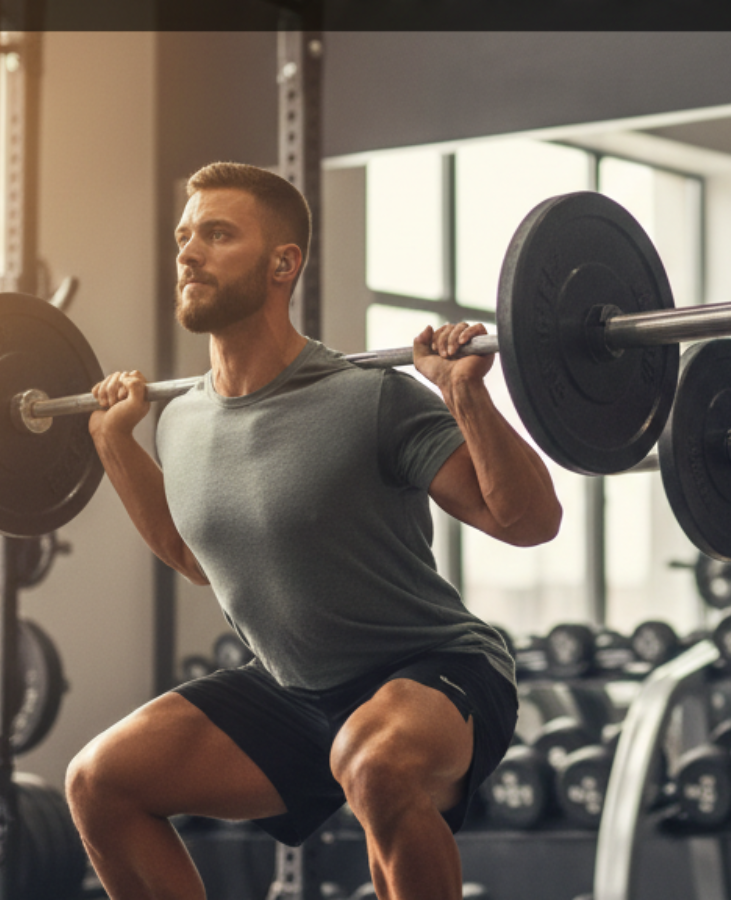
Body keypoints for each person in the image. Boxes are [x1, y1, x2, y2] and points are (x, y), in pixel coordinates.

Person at [66, 162, 562, 900]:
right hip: (295, 691)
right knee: (100, 781)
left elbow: (528, 521)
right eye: (184, 237)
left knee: (374, 761)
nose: (188, 253)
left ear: (282, 263)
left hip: (433, 670)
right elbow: (193, 555)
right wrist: (114, 446)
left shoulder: (367, 399)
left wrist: (463, 396)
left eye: (217, 234)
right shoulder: (182, 421)